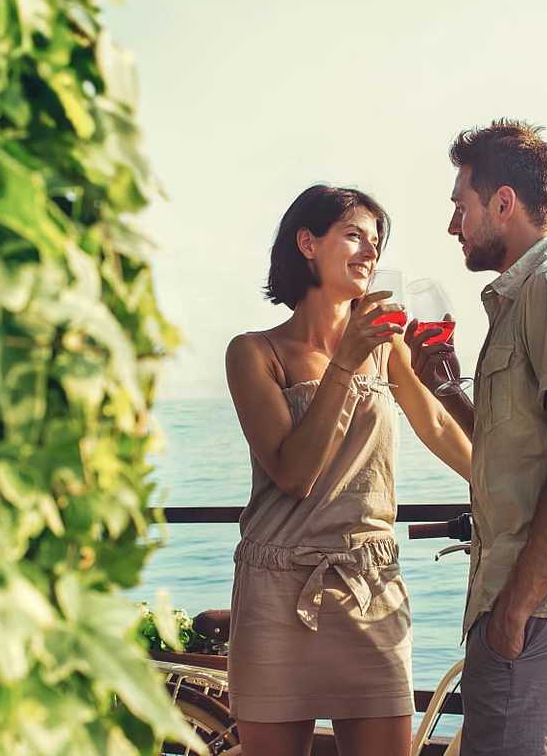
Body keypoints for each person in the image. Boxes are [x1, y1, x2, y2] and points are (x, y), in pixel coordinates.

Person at [405, 119, 547, 755]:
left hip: (541, 620)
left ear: (502, 204)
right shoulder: (524, 301)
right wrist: (448, 389)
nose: (453, 224)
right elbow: (522, 451)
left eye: (461, 205)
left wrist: (514, 611)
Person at [223, 185, 472, 756]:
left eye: (376, 243)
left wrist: (505, 491)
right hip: (277, 590)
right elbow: (293, 473)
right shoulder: (254, 353)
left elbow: (433, 423)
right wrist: (346, 361)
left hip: (371, 587)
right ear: (306, 243)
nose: (369, 253)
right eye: (354, 235)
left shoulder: (385, 347)